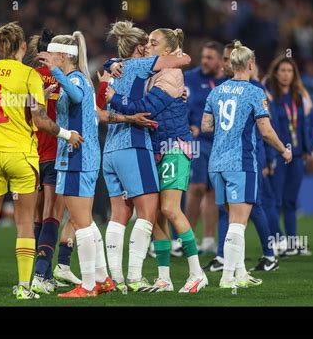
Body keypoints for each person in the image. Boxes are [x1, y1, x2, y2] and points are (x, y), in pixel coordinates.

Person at [0, 22, 83, 300]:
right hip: (21, 155)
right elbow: (38, 119)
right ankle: (25, 288)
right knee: (25, 222)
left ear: (0, 46)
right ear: (23, 46)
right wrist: (65, 133)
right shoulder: (29, 75)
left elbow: (7, 103)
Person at [106, 28, 208, 292]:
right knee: (157, 217)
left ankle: (197, 273)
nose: (146, 46)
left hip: (174, 145)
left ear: (166, 52)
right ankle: (164, 277)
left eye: (152, 43)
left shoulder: (172, 74)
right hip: (155, 148)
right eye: (146, 42)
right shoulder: (152, 71)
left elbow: (146, 107)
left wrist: (113, 98)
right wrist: (112, 64)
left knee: (170, 209)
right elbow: (118, 63)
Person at [201, 41, 292, 288]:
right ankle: (227, 277)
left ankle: (240, 273)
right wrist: (283, 149)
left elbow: (206, 126)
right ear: (250, 64)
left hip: (216, 163)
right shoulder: (255, 91)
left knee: (232, 218)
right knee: (239, 223)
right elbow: (265, 130)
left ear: (231, 64)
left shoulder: (216, 91)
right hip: (240, 163)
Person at [38, 30, 112, 297]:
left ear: (63, 56)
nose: (48, 59)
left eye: (52, 55)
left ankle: (89, 285)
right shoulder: (78, 79)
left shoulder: (75, 79)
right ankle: (102, 278)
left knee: (80, 223)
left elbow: (78, 98)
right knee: (87, 222)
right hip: (84, 158)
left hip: (76, 159)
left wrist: (55, 74)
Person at [26, 29, 81, 295]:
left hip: (31, 153)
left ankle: (42, 274)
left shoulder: (31, 77)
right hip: (56, 151)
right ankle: (41, 273)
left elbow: (26, 113)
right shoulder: (68, 78)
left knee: (37, 216)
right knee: (53, 215)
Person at [263, 56, 313, 256]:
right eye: (282, 70)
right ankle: (277, 243)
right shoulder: (267, 95)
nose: (286, 74)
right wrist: (269, 156)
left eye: (289, 71)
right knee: (275, 201)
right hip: (277, 155)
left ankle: (292, 244)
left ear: (294, 74)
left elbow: (311, 122)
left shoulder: (300, 96)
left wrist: (308, 147)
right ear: (275, 73)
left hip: (297, 155)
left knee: (291, 202)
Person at [184, 41, 227, 255]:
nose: (204, 61)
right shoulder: (190, 78)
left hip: (220, 142)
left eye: (210, 57)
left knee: (213, 191)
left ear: (220, 60)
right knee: (196, 187)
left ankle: (209, 238)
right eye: (203, 56)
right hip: (198, 141)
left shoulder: (228, 81)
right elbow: (181, 105)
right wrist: (187, 126)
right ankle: (188, 237)